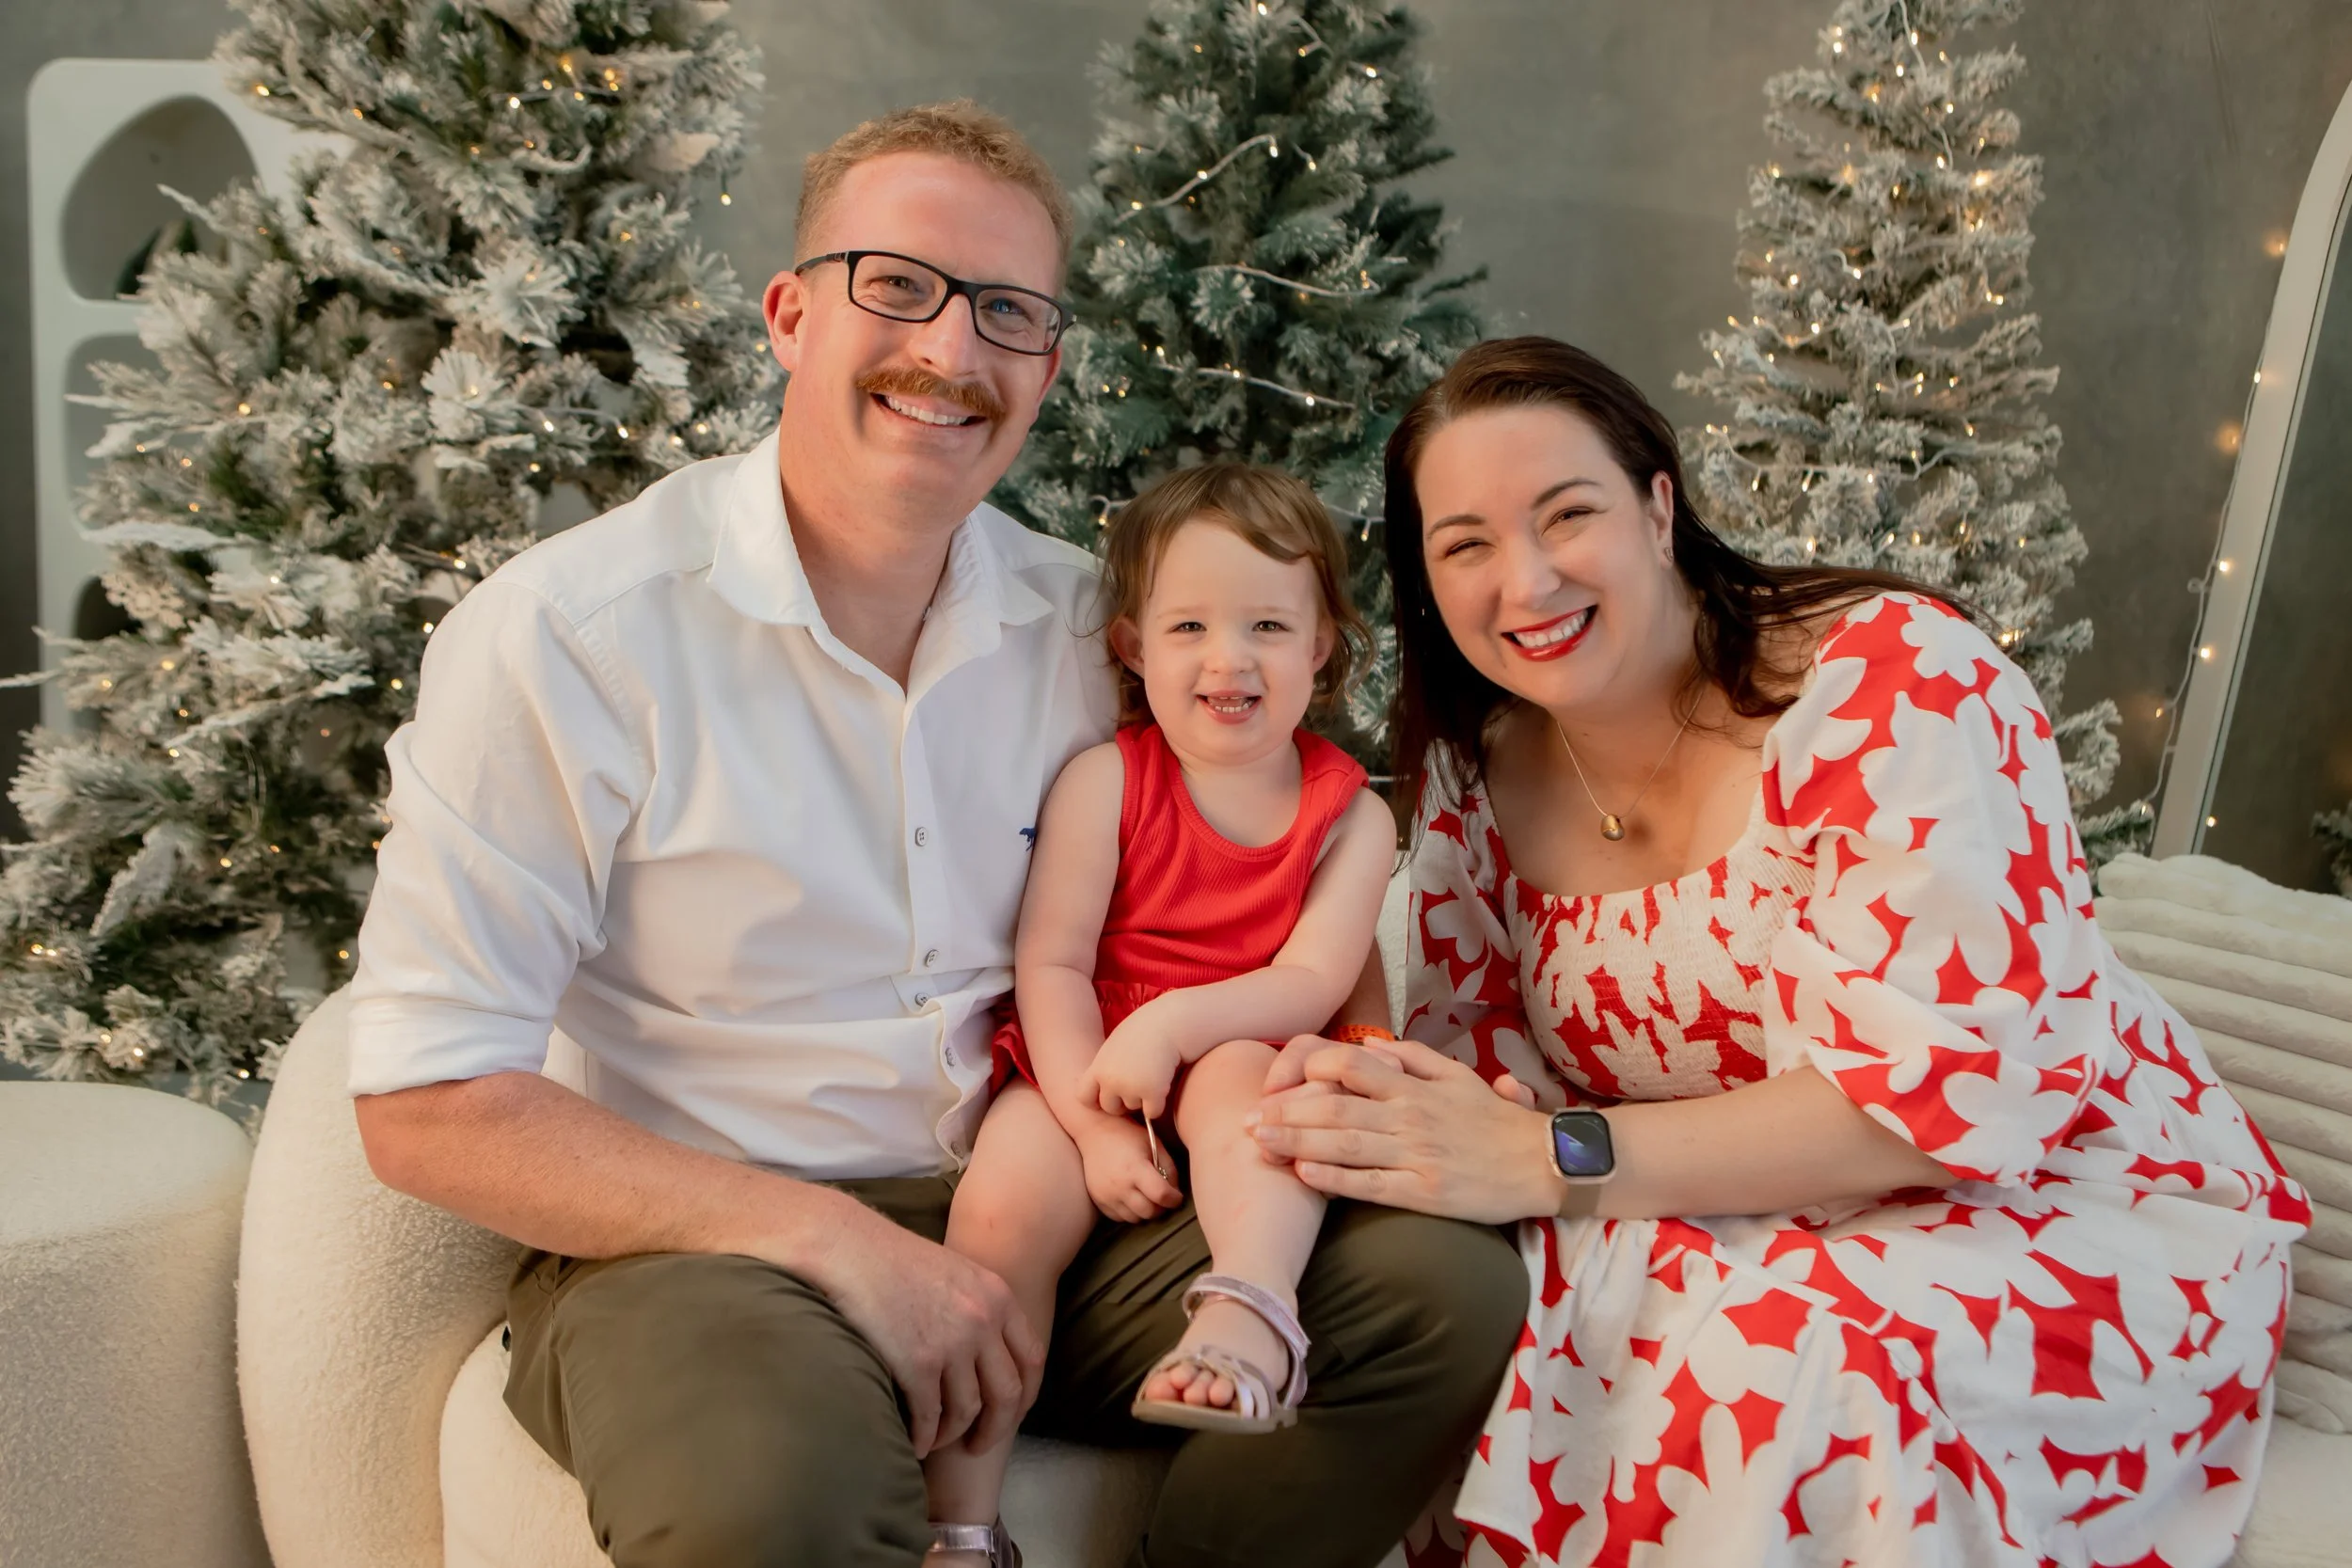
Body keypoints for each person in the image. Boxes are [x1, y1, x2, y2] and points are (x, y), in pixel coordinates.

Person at [343, 100, 1524, 1568]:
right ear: (789, 312)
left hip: (1071, 1196)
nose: (951, 352)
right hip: (718, 1241)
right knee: (771, 1504)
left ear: (1048, 365)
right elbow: (424, 1099)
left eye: (1008, 314)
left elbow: (1252, 858)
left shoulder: (1092, 632)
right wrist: (842, 1244)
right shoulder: (568, 637)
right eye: (895, 285)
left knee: (1437, 1287)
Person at [1248, 337, 2312, 1567]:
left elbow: (1942, 1098)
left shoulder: (1892, 682)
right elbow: (1475, 1073)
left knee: (1802, 1357)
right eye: (1466, 544)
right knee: (1518, 1319)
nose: (1525, 580)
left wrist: (1549, 1155)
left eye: (1566, 513)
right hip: (1716, 1205)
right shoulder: (1477, 776)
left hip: (2045, 1200)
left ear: (1657, 506)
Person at [921, 463, 1400, 1557]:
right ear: (1135, 646)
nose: (1228, 659)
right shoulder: (1105, 781)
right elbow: (1048, 963)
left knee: (1253, 1098)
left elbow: (1315, 979)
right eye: (1189, 625)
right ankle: (959, 1524)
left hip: (1235, 1038)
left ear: (1322, 645)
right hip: (1083, 1049)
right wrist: (1089, 1125)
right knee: (997, 1214)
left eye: (1269, 624)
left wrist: (1179, 1027)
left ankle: (1250, 1311)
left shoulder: (1349, 815)